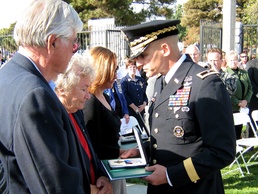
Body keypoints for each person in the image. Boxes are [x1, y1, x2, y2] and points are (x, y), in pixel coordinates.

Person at [121, 20, 236, 194]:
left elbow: (221, 150)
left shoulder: (205, 83)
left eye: (143, 55)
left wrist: (170, 175)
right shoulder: (160, 82)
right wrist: (142, 150)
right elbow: (168, 136)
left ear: (165, 50)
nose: (138, 63)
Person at [0, 0, 96, 193]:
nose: (74, 49)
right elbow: (53, 185)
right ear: (52, 42)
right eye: (72, 42)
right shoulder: (35, 95)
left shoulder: (8, 75)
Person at [83, 46, 138, 194]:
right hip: (103, 172)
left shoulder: (105, 97)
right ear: (102, 71)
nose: (116, 75)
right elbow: (94, 146)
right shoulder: (90, 101)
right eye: (113, 70)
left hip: (114, 167)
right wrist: (122, 151)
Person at [55, 53, 112, 194]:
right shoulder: (55, 119)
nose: (88, 95)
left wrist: (102, 176)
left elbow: (90, 152)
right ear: (63, 88)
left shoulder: (77, 111)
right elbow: (59, 174)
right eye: (83, 89)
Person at [225, 50, 253, 139]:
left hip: (243, 106)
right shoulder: (225, 74)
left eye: (235, 59)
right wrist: (238, 102)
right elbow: (227, 92)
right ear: (227, 61)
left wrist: (246, 100)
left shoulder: (244, 73)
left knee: (239, 129)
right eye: (231, 60)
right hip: (232, 107)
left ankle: (238, 149)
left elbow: (250, 88)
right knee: (231, 131)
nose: (233, 62)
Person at [121, 58, 148, 130]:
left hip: (141, 110)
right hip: (131, 111)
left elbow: (145, 93)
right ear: (126, 69)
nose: (132, 69)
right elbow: (125, 96)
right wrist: (134, 107)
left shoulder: (140, 80)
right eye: (130, 67)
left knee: (141, 129)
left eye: (134, 67)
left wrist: (144, 105)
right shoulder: (124, 81)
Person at [245, 58, 258, 137]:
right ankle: (250, 138)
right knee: (252, 121)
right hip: (254, 98)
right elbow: (249, 80)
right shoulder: (251, 64)